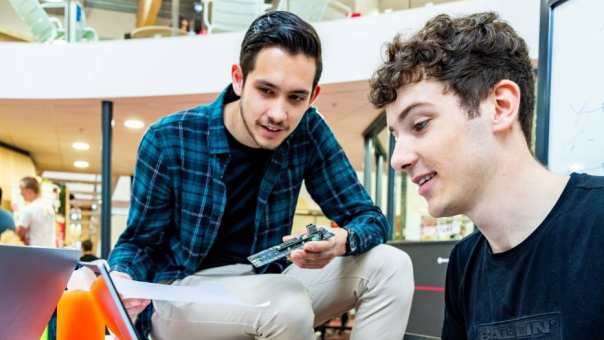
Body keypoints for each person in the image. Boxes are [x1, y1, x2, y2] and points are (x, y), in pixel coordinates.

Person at [109, 10, 414, 340]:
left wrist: (342, 242)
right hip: (182, 295)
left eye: (296, 97)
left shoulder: (308, 131)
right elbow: (139, 243)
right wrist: (123, 278)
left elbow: (369, 218)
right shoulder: (170, 137)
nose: (278, 114)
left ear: (313, 97)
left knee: (391, 266)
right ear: (239, 79)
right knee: (284, 305)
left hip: (268, 280)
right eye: (266, 91)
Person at [369, 11, 604, 339]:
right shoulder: (464, 264)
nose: (398, 159)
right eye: (395, 137)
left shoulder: (596, 223)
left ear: (501, 106)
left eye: (420, 125)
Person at [16, 176, 55, 247]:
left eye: (21, 190)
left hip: (33, 251)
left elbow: (20, 232)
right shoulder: (49, 207)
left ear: (28, 190)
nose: (21, 193)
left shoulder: (29, 209)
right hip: (49, 250)